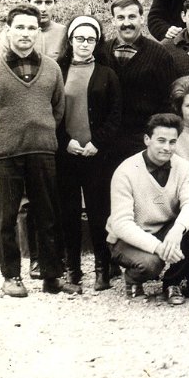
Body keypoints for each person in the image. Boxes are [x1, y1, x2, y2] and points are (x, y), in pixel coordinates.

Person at [0, 4, 76, 297]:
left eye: (31, 27)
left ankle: (52, 276)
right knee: (6, 218)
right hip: (4, 155)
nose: (26, 33)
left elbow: (57, 109)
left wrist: (39, 133)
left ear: (38, 32)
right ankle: (11, 277)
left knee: (47, 215)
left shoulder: (52, 68)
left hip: (42, 152)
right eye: (19, 27)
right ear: (8, 31)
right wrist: (2, 136)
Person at [106, 113, 189, 305]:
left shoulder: (182, 166)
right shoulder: (126, 171)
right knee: (151, 264)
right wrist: (159, 248)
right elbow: (121, 224)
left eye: (172, 142)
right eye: (161, 141)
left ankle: (172, 282)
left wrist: (178, 229)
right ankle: (133, 280)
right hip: (127, 238)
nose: (167, 148)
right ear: (147, 140)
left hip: (165, 230)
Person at [56, 16, 122, 291]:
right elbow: (50, 112)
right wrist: (65, 142)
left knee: (99, 213)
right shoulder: (57, 70)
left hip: (97, 156)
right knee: (68, 212)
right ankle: (72, 268)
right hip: (67, 154)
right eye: (80, 38)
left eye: (91, 39)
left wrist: (98, 142)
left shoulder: (107, 73)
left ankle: (102, 269)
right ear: (70, 41)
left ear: (98, 42)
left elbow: (115, 114)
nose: (85, 44)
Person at [106, 0, 178, 162]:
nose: (126, 23)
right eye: (120, 18)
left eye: (132, 17)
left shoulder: (159, 54)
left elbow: (170, 100)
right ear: (113, 21)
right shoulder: (102, 51)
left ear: (142, 18)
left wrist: (155, 136)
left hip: (142, 141)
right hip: (107, 141)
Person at [0, 0, 67, 63]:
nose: (43, 8)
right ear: (28, 3)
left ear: (55, 4)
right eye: (38, 2)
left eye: (48, 3)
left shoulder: (64, 33)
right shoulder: (12, 32)